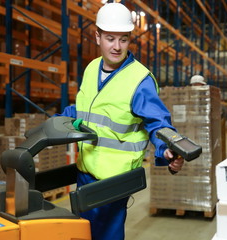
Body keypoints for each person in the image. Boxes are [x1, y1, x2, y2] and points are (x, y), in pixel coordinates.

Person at [55, 3, 184, 240]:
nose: (116, 47)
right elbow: (84, 109)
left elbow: (158, 122)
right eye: (110, 38)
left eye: (123, 39)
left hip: (114, 182)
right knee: (84, 234)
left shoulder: (139, 80)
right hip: (85, 173)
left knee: (106, 236)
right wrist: (57, 121)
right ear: (97, 36)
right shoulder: (92, 68)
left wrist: (166, 149)